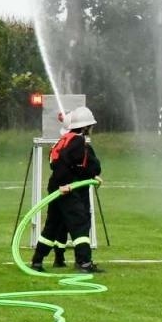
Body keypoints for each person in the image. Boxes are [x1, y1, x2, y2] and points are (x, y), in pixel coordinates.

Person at [30, 105, 103, 274]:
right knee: (80, 224)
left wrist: (90, 177)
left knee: (52, 225)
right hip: (67, 190)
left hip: (57, 188)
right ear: (85, 127)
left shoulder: (65, 139)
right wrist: (66, 183)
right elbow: (68, 163)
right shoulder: (77, 142)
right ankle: (84, 263)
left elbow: (59, 162)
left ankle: (37, 261)